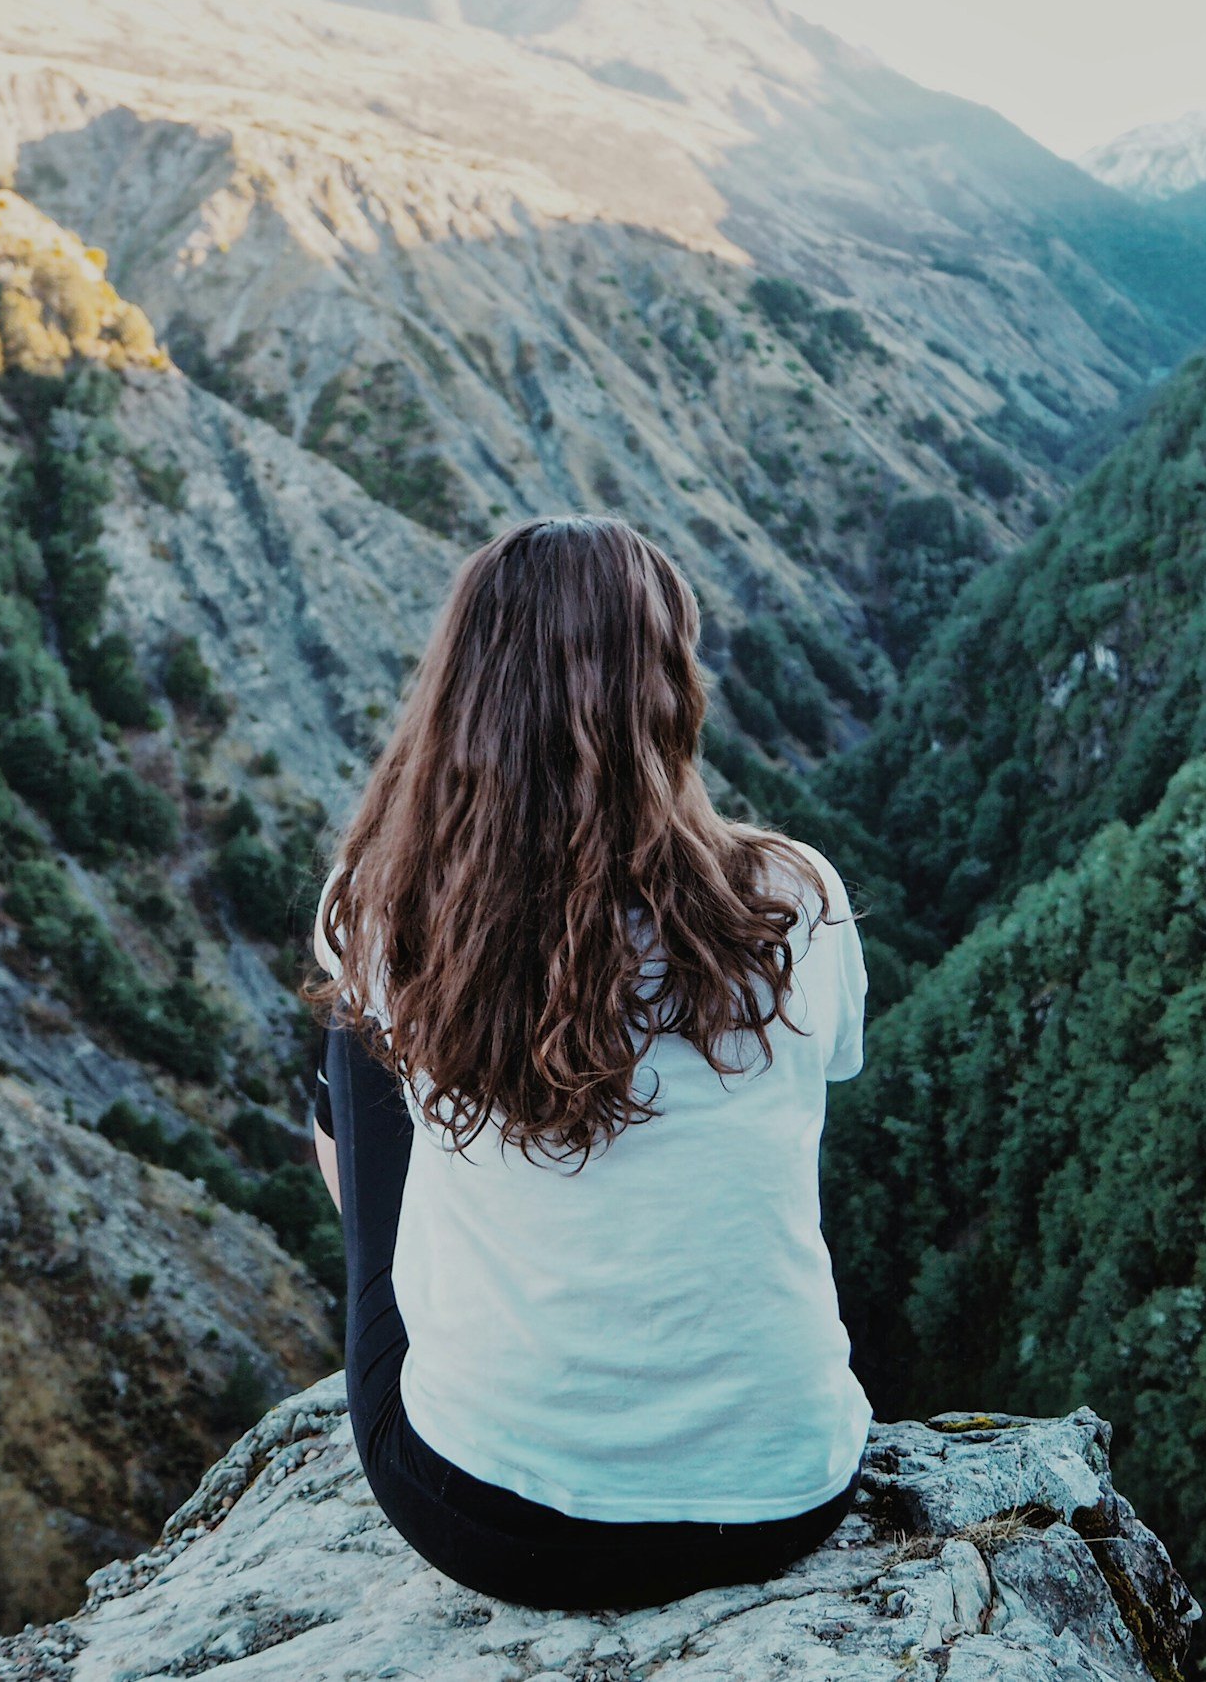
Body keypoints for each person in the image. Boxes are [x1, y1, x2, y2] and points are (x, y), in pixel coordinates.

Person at [303, 514, 871, 1611]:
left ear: (465, 697)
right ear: (672, 693)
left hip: (488, 1517)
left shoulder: (383, 906)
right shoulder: (796, 899)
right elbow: (813, 1095)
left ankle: (503, 1342)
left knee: (359, 1042)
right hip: (785, 1493)